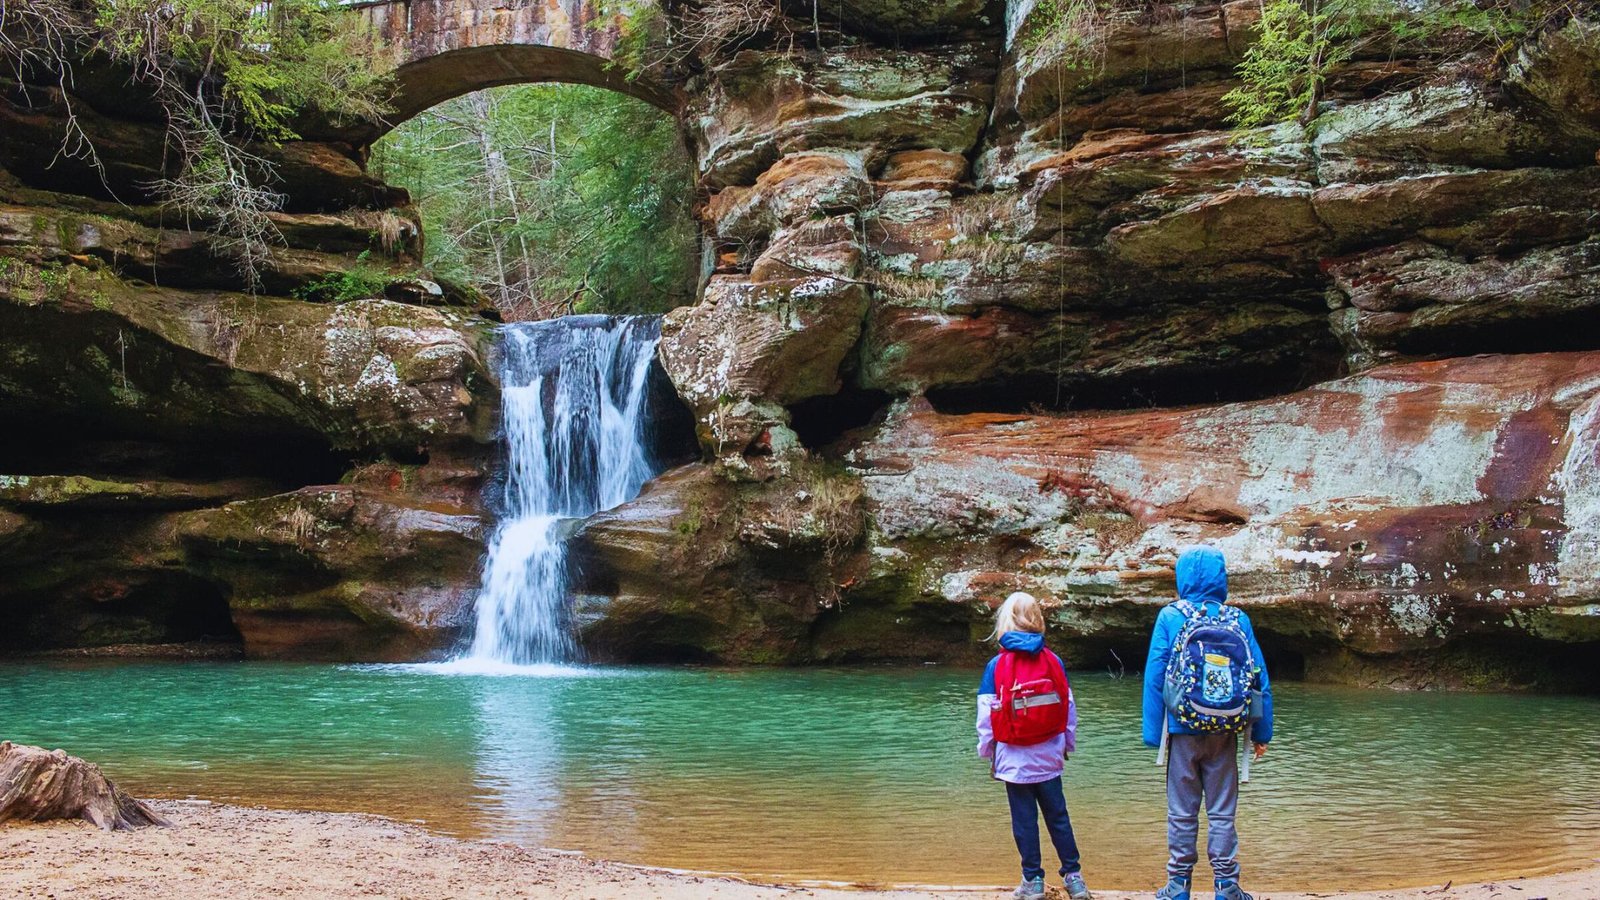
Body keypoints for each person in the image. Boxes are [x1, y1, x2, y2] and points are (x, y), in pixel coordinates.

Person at [1142, 546, 1273, 900]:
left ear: (1181, 579)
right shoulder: (1237, 619)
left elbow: (1155, 676)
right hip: (1225, 732)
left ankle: (1178, 885)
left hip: (1182, 733)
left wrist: (1153, 733)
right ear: (1222, 579)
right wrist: (1262, 732)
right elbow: (1259, 676)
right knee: (1222, 811)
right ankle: (1226, 885)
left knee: (1182, 812)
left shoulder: (1171, 616)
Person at [977, 591, 1092, 900]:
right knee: (1059, 817)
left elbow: (986, 717)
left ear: (1005, 622)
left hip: (1014, 760)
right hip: (1049, 756)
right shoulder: (1053, 660)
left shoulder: (996, 666)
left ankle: (1033, 882)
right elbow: (1069, 708)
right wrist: (1067, 744)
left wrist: (988, 752)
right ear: (1039, 620)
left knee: (1024, 821)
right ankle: (1074, 877)